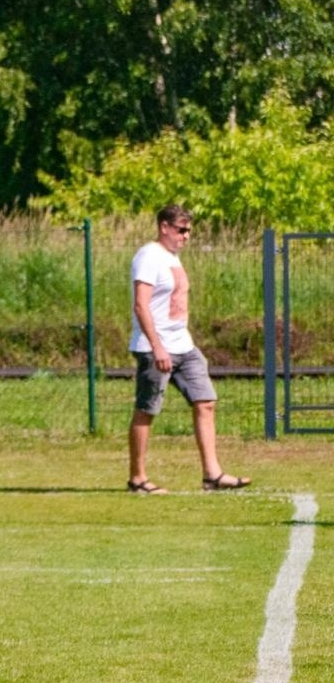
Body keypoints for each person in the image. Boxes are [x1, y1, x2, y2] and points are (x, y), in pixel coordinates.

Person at [127, 205, 249, 494]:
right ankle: (137, 478)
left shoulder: (173, 258)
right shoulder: (149, 256)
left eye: (189, 231)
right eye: (182, 230)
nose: (186, 236)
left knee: (205, 401)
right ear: (164, 227)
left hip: (183, 345)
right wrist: (157, 348)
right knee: (147, 409)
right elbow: (141, 305)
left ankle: (212, 475)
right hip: (154, 347)